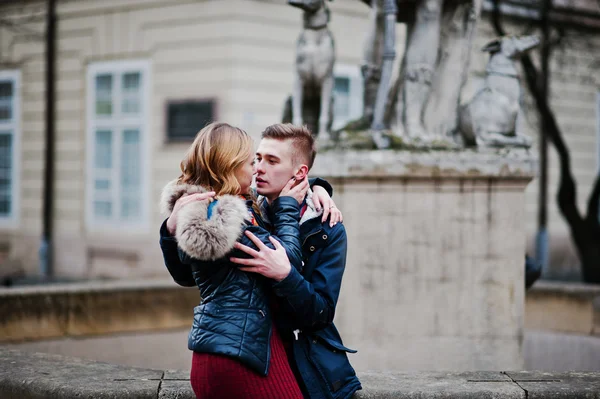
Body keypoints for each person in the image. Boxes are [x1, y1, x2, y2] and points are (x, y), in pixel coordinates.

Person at [162, 123, 362, 399]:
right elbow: (186, 275)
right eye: (255, 159)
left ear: (300, 174)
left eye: (271, 161)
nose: (258, 168)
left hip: (282, 354)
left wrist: (319, 188)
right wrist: (170, 229)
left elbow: (321, 313)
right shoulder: (239, 209)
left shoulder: (327, 228)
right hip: (247, 352)